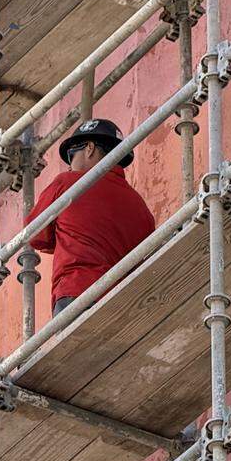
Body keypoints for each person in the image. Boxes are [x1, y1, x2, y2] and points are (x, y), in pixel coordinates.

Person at [31, 116, 155, 316]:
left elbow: (34, 234)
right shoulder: (141, 208)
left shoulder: (68, 184)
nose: (70, 166)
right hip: (127, 305)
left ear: (89, 148)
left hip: (78, 292)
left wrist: (68, 233)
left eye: (72, 155)